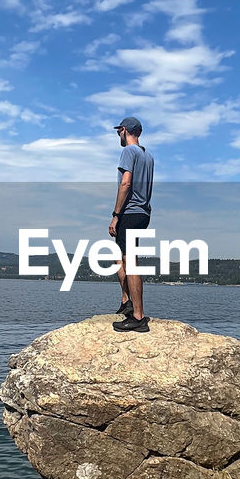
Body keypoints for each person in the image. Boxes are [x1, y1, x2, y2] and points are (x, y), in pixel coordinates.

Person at [109, 115, 154, 332]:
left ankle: (138, 316)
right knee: (121, 258)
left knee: (130, 260)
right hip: (143, 212)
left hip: (130, 211)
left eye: (119, 131)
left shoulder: (128, 151)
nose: (118, 134)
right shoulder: (148, 156)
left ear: (125, 130)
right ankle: (126, 301)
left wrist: (116, 214)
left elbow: (126, 183)